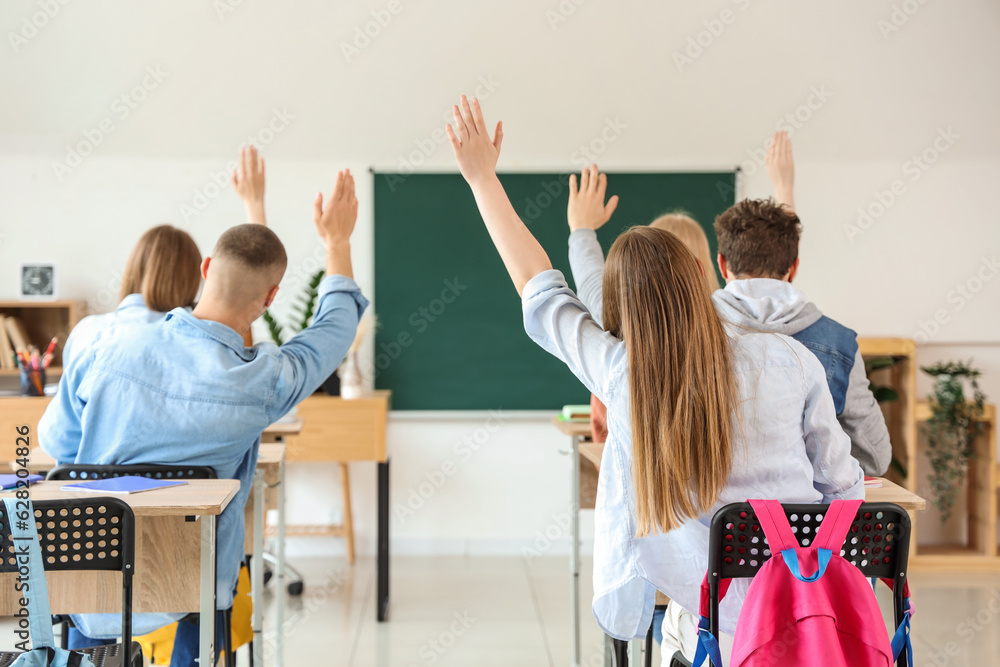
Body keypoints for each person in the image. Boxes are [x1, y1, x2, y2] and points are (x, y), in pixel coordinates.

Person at [445, 95, 863, 663]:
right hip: (811, 622)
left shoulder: (623, 372)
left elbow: (537, 283)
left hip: (714, 635)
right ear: (702, 272)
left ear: (617, 307)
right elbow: (843, 489)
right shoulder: (790, 359)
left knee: (677, 629)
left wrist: (481, 180)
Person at [39, 168, 366, 666]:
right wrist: (336, 242)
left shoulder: (103, 343)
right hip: (194, 580)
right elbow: (334, 327)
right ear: (271, 298)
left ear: (206, 268)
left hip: (93, 577)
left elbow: (59, 445)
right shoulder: (266, 381)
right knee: (213, 582)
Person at [711, 131, 891, 475]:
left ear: (722, 264)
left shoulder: (688, 331)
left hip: (713, 524)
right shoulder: (838, 343)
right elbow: (874, 457)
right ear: (793, 267)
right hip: (809, 526)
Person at [61, 145, 269, 370]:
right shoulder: (205, 337)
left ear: (135, 269)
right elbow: (251, 283)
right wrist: (254, 203)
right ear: (196, 276)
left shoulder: (89, 333)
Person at [577, 212, 719, 446]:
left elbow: (589, 283)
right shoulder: (727, 329)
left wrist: (581, 228)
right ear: (701, 267)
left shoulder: (618, 337)